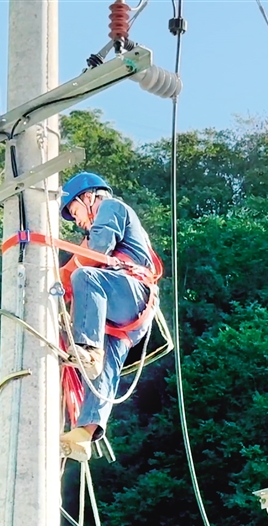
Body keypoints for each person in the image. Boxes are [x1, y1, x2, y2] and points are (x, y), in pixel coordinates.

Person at [56, 172, 162, 462]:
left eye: (75, 211)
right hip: (126, 316)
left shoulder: (112, 207)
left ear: (89, 197)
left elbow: (100, 249)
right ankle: (84, 433)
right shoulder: (96, 223)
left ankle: (88, 350)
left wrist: (59, 281)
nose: (77, 220)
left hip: (130, 292)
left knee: (86, 277)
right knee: (107, 367)